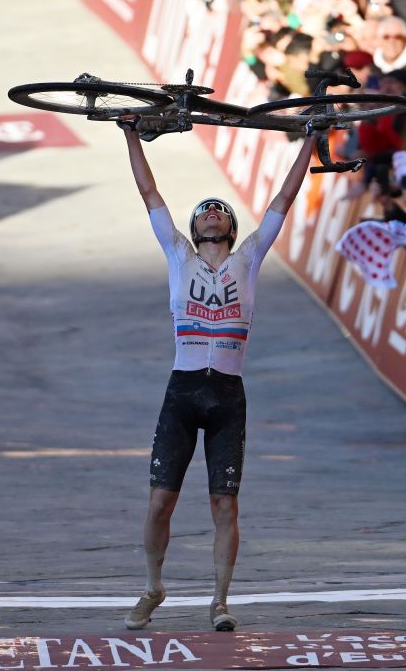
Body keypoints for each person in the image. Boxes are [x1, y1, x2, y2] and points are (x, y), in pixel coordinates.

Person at [118, 117, 320, 632]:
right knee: (161, 500)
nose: (211, 213)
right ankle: (152, 587)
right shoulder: (176, 254)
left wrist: (313, 138)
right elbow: (148, 191)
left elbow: (285, 197)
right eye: (203, 211)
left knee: (224, 504)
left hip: (228, 393)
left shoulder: (249, 257)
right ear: (193, 227)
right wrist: (130, 134)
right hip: (183, 388)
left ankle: (220, 602)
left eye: (219, 210)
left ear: (229, 227)